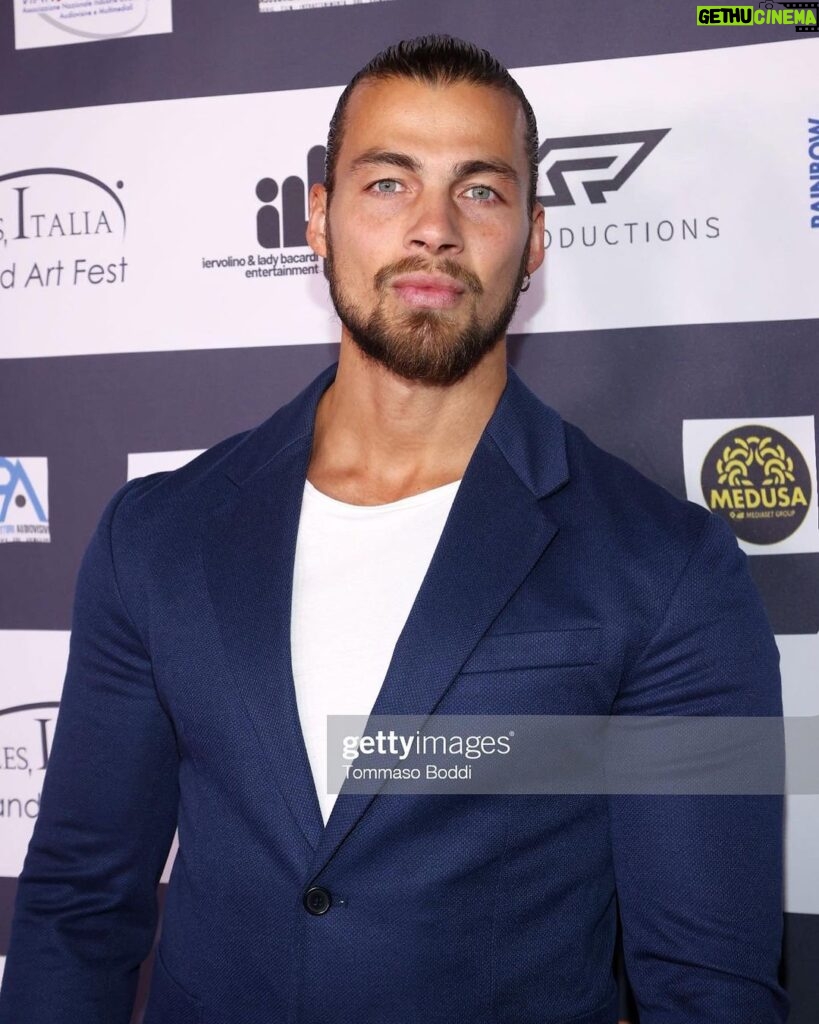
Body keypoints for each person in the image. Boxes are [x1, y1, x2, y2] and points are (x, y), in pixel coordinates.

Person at [0, 35, 787, 1024]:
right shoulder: (155, 535)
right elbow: (78, 903)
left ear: (536, 238)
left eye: (480, 191)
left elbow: (711, 989)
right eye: (387, 183)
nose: (433, 229)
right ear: (318, 218)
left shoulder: (672, 570)